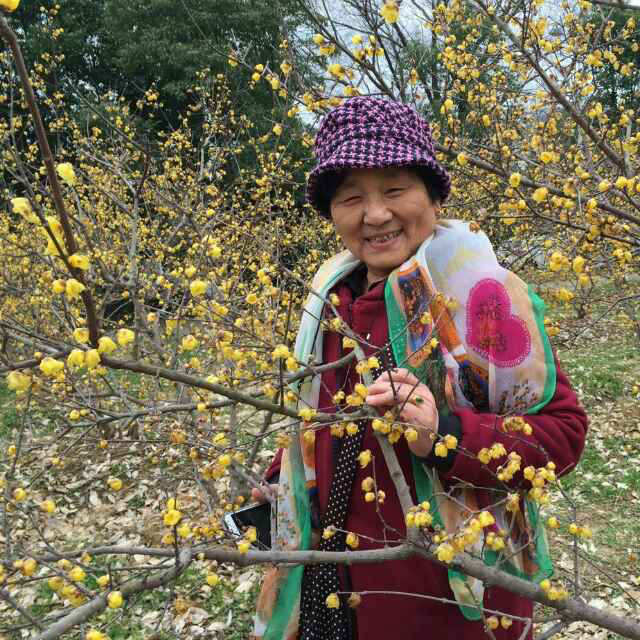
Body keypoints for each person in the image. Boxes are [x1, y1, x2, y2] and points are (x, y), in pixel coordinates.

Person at [251, 97, 588, 640]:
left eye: (395, 190)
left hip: (453, 602)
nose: (375, 215)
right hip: (337, 587)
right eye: (351, 197)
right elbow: (316, 418)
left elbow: (562, 437)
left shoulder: (481, 298)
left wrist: (444, 436)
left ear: (433, 195)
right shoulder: (329, 299)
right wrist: (278, 477)